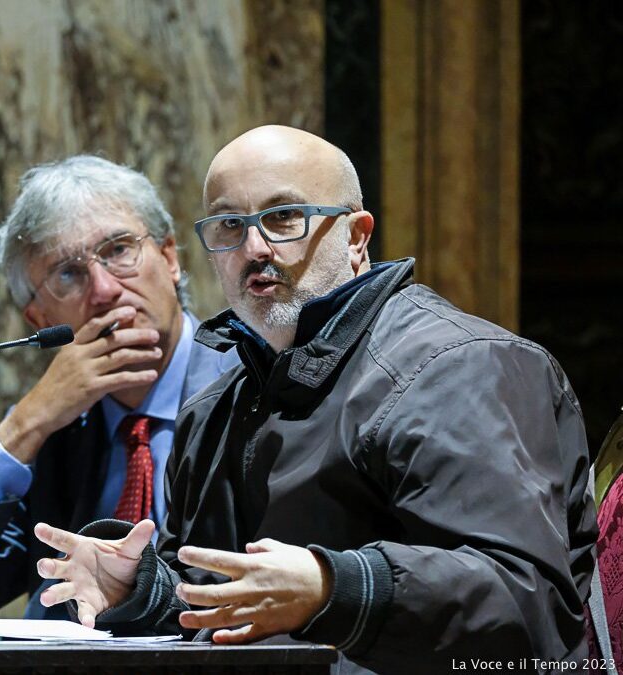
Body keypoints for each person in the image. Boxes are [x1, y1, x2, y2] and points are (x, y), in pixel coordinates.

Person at [33, 126, 597, 673]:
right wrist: (144, 588)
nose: (254, 247)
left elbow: (527, 608)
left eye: (284, 218)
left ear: (356, 236)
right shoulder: (214, 409)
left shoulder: (462, 366)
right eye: (230, 225)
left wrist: (334, 586)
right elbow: (222, 603)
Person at [0, 155, 239, 619]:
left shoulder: (250, 387)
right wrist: (26, 425)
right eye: (68, 273)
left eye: (118, 250)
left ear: (170, 257)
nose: (105, 290)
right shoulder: (55, 434)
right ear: (40, 319)